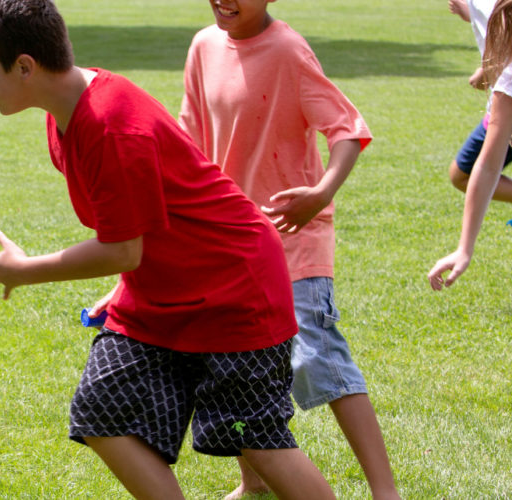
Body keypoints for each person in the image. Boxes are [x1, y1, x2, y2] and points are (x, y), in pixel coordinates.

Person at [0, 0, 334, 497]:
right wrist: (124, 289)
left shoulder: (110, 126)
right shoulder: (63, 115)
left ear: (25, 66)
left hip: (235, 288)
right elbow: (143, 225)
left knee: (256, 438)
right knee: (102, 410)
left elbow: (121, 249)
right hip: (163, 291)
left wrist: (25, 270)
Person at [179, 1, 399, 499]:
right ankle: (253, 480)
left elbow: (348, 131)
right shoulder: (203, 46)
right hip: (230, 242)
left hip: (293, 237)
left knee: (317, 357)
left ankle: (386, 492)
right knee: (237, 361)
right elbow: (189, 139)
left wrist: (321, 192)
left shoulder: (288, 50)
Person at [431, 0, 512, 288]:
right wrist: (464, 249)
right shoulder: (508, 80)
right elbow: (488, 165)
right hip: (499, 116)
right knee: (461, 174)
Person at [444, 0, 512, 209]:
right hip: (500, 106)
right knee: (462, 174)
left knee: (476, 171)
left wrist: (486, 72)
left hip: (505, 104)